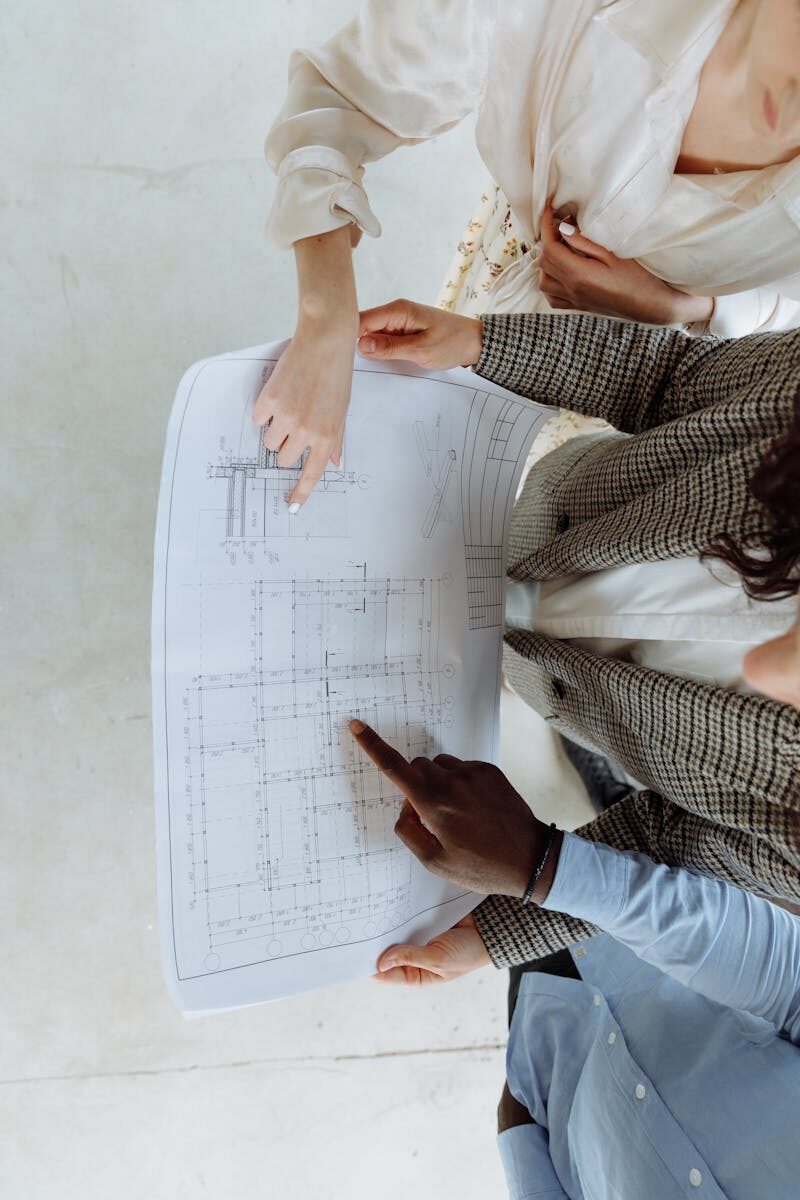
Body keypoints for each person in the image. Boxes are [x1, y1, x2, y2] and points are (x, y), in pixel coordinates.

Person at [344, 298, 800, 968]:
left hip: (554, 681)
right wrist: (479, 342)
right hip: (540, 510)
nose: (764, 674)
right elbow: (667, 378)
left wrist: (495, 931)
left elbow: (670, 841)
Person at [259, 0, 800, 506]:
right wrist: (326, 319)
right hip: (499, 277)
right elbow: (341, 94)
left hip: (620, 419)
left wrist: (691, 307)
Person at [348, 714, 800, 1198]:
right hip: (650, 957)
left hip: (550, 1015)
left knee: (496, 857)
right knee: (641, 834)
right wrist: (538, 865)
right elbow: (786, 974)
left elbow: (525, 1161)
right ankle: (613, 789)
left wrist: (523, 1095)